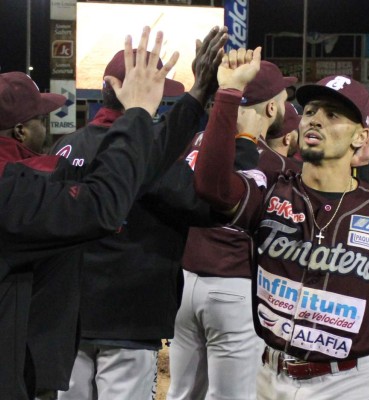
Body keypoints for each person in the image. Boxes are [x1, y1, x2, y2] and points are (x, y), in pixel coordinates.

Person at [193, 47, 369, 400]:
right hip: (269, 374)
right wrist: (229, 94)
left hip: (349, 382)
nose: (316, 119)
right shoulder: (271, 188)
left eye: (333, 114)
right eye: (310, 111)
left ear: (360, 136)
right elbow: (211, 186)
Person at [0, 26, 184, 400]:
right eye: (40, 119)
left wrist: (197, 101)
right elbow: (103, 204)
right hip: (33, 353)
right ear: (20, 131)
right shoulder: (14, 185)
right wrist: (138, 113)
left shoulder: (52, 157)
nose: (45, 126)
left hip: (54, 333)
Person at [51, 27, 229, 400]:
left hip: (68, 316)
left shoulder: (64, 146)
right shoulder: (145, 150)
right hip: (129, 316)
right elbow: (206, 207)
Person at [167, 60, 299, 400]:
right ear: (271, 107)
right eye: (283, 99)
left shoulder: (196, 140)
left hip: (183, 283)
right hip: (233, 286)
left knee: (182, 393)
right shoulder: (277, 165)